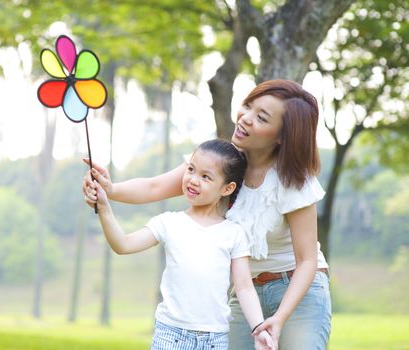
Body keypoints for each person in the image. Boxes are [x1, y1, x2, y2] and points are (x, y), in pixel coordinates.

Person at [83, 79, 331, 350]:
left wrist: (279, 319)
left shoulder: (294, 181)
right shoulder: (220, 163)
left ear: (283, 135)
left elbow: (307, 260)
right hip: (245, 290)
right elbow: (154, 187)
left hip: (296, 291)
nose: (246, 118)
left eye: (261, 117)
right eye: (248, 106)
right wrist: (110, 189)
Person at [89, 139, 275, 350]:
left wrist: (259, 328)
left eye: (205, 177)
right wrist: (104, 207)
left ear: (227, 188)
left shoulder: (234, 233)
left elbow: (244, 288)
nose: (193, 180)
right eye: (191, 170)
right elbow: (123, 245)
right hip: (170, 335)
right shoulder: (169, 222)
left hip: (214, 340)